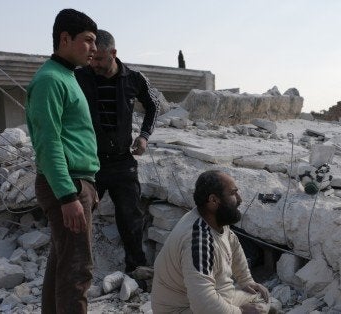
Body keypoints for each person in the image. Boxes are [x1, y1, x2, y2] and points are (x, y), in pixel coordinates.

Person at [25, 9, 99, 313]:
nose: (94, 48)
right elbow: (48, 141)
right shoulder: (49, 80)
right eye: (88, 40)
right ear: (64, 39)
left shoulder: (66, 77)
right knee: (77, 273)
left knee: (62, 268)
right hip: (67, 185)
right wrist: (68, 195)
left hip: (75, 183)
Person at [75, 29, 159, 288]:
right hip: (89, 162)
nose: (95, 64)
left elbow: (154, 106)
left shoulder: (134, 79)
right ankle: (79, 273)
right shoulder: (80, 77)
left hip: (123, 161)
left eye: (99, 59)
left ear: (113, 53)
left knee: (131, 217)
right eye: (92, 59)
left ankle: (136, 272)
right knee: (80, 217)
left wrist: (144, 136)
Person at [151, 170, 271, 314]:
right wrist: (240, 312)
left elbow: (233, 245)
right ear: (214, 200)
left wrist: (246, 281)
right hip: (184, 309)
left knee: (263, 299)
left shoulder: (215, 219)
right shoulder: (199, 241)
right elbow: (202, 304)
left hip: (214, 298)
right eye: (233, 193)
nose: (239, 199)